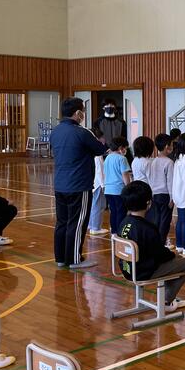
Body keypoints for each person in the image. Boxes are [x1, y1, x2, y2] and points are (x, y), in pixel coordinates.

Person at [49, 97, 108, 269]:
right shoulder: (82, 132)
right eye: (83, 111)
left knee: (62, 222)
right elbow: (100, 149)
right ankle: (75, 259)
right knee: (77, 222)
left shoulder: (55, 131)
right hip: (79, 184)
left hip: (60, 184)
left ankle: (61, 258)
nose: (84, 114)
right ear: (77, 113)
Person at [118, 181, 185, 313]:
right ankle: (166, 301)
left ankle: (167, 298)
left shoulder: (124, 222)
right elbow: (160, 255)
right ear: (148, 203)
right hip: (143, 271)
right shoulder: (147, 228)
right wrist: (173, 255)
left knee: (174, 261)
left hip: (127, 269)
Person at [147, 133, 175, 243]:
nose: (172, 147)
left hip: (154, 194)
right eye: (171, 145)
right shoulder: (169, 162)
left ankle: (155, 242)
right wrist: (172, 198)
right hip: (165, 195)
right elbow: (170, 181)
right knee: (165, 221)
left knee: (156, 220)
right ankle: (161, 243)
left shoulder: (152, 161)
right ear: (167, 146)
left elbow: (150, 179)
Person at [103, 136, 132, 237]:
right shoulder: (122, 158)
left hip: (108, 190)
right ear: (120, 148)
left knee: (113, 211)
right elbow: (125, 175)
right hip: (119, 190)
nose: (125, 150)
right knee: (121, 212)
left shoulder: (107, 158)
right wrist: (128, 188)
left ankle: (114, 232)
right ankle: (120, 232)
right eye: (125, 148)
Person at [87, 128, 109, 237]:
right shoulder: (97, 154)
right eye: (102, 137)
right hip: (98, 184)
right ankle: (95, 227)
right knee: (98, 205)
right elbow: (100, 171)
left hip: (92, 183)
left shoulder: (89, 150)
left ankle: (91, 225)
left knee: (93, 205)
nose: (104, 139)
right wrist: (103, 185)